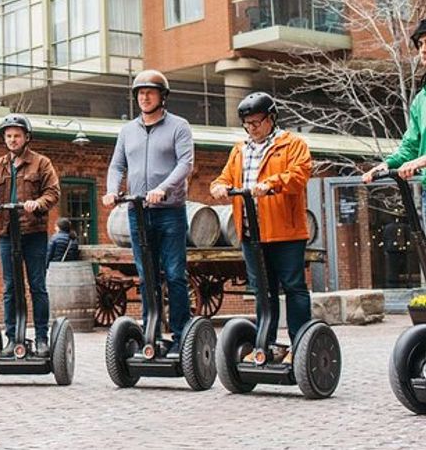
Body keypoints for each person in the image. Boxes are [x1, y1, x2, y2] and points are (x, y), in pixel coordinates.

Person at [210, 92, 312, 364]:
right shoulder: (239, 150)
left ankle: (299, 347)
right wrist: (219, 187)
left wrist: (272, 183)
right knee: (262, 291)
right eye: (248, 123)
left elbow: (299, 175)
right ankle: (264, 346)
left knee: (293, 288)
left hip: (285, 232)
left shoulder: (292, 144)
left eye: (257, 121)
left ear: (271, 118)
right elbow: (224, 177)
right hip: (250, 233)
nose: (252, 127)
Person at [102, 70, 193, 354]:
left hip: (169, 211)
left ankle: (180, 337)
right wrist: (112, 190)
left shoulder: (179, 126)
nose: (144, 97)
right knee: (147, 276)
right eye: (140, 93)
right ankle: (150, 334)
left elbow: (185, 164)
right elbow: (117, 165)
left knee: (175, 274)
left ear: (162, 97)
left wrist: (163, 188)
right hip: (137, 212)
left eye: (150, 92)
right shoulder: (128, 131)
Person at [0, 114, 60, 357]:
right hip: (6, 231)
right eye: (9, 136)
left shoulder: (41, 163)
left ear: (26, 138)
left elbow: (53, 192)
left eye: (17, 135)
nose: (12, 140)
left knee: (37, 286)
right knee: (10, 287)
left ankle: (42, 338)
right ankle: (12, 338)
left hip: (33, 232)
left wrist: (38, 203)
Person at [362, 19, 426, 214]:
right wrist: (385, 165)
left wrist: (420, 162)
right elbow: (411, 147)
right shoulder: (421, 100)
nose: (423, 50)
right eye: (421, 44)